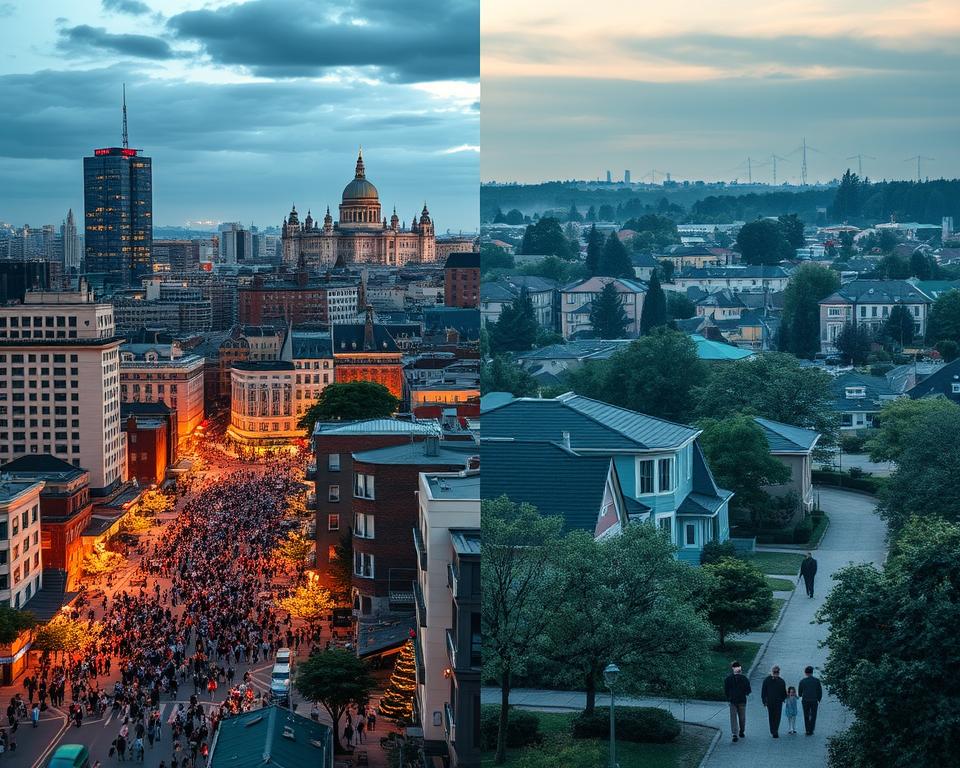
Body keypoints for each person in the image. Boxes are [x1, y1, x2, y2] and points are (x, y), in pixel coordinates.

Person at [723, 661, 751, 742]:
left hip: (738, 700)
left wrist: (729, 696)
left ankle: (739, 731)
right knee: (737, 717)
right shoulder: (742, 679)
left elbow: (726, 690)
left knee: (738, 718)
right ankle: (736, 733)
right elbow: (748, 691)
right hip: (736, 701)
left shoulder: (741, 679)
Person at [760, 665, 788, 738]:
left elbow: (784, 693)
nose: (776, 673)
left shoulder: (781, 681)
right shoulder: (767, 680)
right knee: (772, 716)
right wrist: (764, 701)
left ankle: (775, 730)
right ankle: (773, 730)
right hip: (770, 701)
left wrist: (783, 698)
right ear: (772, 672)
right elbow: (763, 692)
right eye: (774, 672)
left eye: (777, 672)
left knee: (777, 716)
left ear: (778, 672)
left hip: (778, 702)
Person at [798, 666, 823, 735]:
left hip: (805, 700)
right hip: (814, 700)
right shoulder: (817, 681)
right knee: (813, 715)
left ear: (805, 673)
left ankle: (807, 729)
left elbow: (800, 693)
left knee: (806, 715)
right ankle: (811, 729)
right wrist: (819, 699)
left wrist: (801, 695)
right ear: (812, 672)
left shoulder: (802, 681)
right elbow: (819, 691)